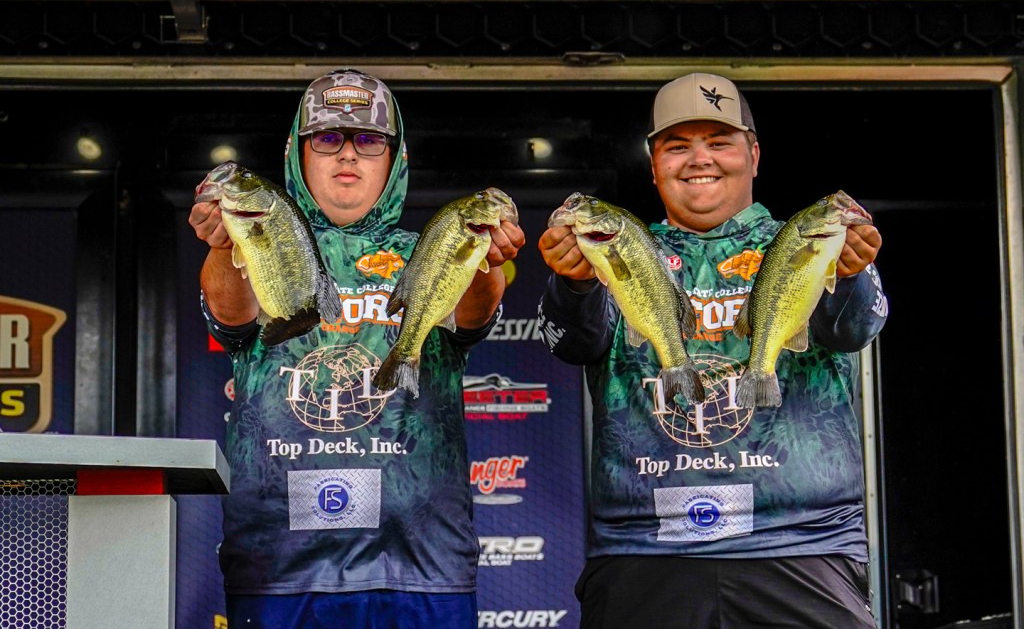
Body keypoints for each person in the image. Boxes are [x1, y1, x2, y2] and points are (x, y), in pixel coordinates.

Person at [537, 72, 887, 629]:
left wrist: (851, 273)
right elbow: (572, 342)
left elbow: (855, 330)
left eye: (719, 142)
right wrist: (574, 284)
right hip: (645, 547)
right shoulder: (620, 245)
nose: (699, 159)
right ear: (654, 165)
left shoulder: (806, 239)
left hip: (802, 541)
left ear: (753, 154)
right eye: (677, 146)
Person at [189, 68, 525, 629]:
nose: (348, 153)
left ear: (395, 159)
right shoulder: (262, 236)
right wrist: (227, 244)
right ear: (298, 153)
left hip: (422, 560)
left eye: (368, 140)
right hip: (280, 564)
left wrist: (484, 258)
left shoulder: (434, 244)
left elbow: (471, 318)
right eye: (328, 138)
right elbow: (230, 316)